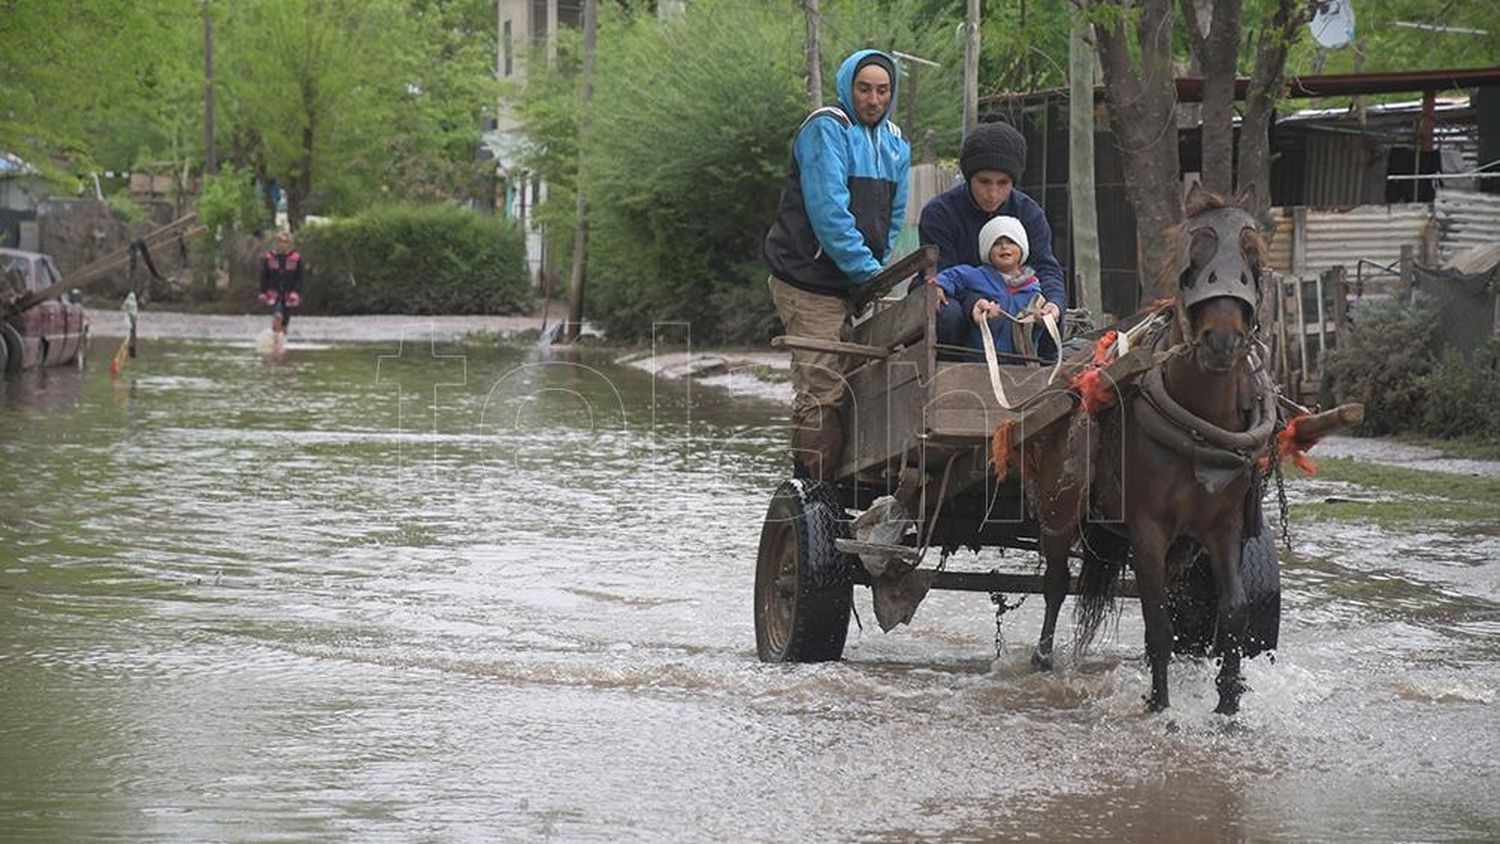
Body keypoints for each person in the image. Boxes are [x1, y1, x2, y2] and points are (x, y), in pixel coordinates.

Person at [763, 49, 910, 480]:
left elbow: (892, 218)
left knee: (866, 381)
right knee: (823, 389)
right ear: (849, 87)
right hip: (807, 279)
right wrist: (871, 274)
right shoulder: (827, 129)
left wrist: (877, 270)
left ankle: (854, 486)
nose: (873, 99)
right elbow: (830, 214)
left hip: (856, 280)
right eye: (864, 89)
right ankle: (813, 496)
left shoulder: (895, 142)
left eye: (882, 90)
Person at [916, 120, 1064, 355]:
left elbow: (1046, 267)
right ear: (968, 177)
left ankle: (1043, 375)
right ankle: (948, 377)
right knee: (945, 314)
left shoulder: (1029, 213)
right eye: (984, 182)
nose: (993, 193)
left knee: (1052, 318)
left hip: (1016, 298)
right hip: (959, 298)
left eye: (1003, 183)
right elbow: (945, 275)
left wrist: (1054, 304)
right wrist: (976, 302)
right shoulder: (940, 213)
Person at [933, 215, 1053, 356]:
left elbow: (1033, 333)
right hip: (979, 358)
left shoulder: (1033, 289)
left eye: (1011, 242)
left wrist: (1039, 320)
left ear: (1022, 249)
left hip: (1018, 361)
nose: (1004, 246)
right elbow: (952, 276)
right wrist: (939, 286)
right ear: (987, 251)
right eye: (996, 243)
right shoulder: (978, 275)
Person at [259, 230, 303, 335]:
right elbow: (264, 275)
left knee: (284, 323)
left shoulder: (296, 258)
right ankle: (275, 339)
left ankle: (280, 343)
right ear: (276, 242)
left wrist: (296, 292)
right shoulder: (269, 257)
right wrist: (263, 292)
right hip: (274, 294)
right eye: (280, 241)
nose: (282, 244)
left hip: (289, 295)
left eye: (285, 242)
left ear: (289, 243)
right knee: (278, 316)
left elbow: (300, 278)